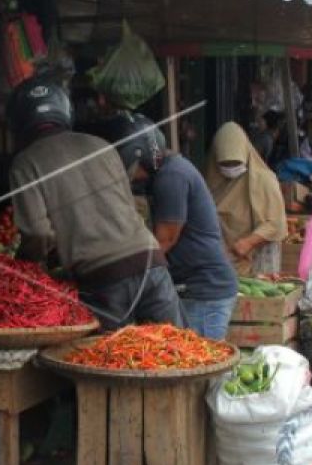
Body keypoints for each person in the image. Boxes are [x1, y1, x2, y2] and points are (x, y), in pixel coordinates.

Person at [6, 80, 183, 331]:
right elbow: (128, 204)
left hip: (104, 280)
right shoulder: (101, 145)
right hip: (151, 264)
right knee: (182, 355)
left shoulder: (25, 163)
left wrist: (27, 266)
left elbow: (38, 232)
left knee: (111, 363)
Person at [102, 112, 238, 340]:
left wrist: (122, 273)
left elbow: (164, 241)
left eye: (131, 168)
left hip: (203, 291)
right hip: (194, 288)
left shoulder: (172, 176)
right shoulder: (166, 173)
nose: (133, 177)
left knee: (196, 367)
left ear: (142, 157)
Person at [203, 121, 288, 275]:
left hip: (257, 258)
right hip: (222, 258)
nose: (230, 168)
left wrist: (249, 242)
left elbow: (276, 223)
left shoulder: (264, 179)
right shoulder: (210, 179)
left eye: (236, 163)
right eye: (225, 164)